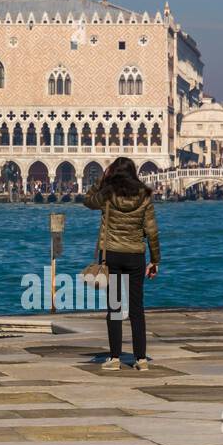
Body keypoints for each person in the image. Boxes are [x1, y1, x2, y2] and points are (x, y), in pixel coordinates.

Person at [83, 157, 161, 371]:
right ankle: (141, 359)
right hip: (136, 255)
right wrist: (155, 260)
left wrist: (101, 180)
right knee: (137, 308)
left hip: (112, 256)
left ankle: (115, 357)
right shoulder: (144, 195)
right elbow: (151, 231)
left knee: (114, 307)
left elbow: (88, 201)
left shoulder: (107, 193)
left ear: (113, 173)